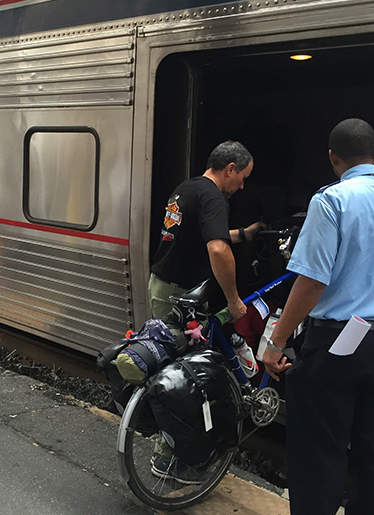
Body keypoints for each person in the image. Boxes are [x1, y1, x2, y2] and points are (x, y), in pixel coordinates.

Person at [261, 118, 374, 515]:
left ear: (332, 159)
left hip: (337, 341)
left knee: (319, 449)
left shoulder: (331, 201)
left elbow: (311, 281)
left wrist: (275, 341)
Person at [148, 140, 263, 483]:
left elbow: (201, 235)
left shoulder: (187, 189)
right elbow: (216, 247)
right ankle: (173, 461)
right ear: (230, 168)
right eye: (242, 177)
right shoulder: (213, 196)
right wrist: (233, 299)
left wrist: (241, 235)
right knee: (188, 381)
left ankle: (165, 448)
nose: (242, 186)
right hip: (184, 296)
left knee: (167, 370)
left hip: (162, 287)